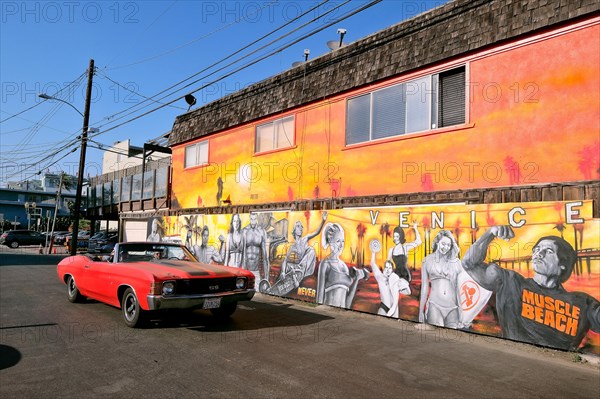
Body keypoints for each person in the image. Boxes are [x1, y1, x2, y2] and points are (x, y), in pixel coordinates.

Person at [463, 225, 600, 351]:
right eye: (537, 250)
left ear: (563, 263)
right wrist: (490, 233)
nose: (539, 254)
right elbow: (469, 263)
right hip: (514, 361)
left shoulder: (583, 303)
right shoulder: (511, 282)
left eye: (549, 251)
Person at [316, 223, 369, 309]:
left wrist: (356, 280)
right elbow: (319, 298)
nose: (341, 245)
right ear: (330, 241)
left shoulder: (344, 266)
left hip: (341, 314)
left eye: (343, 241)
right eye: (338, 241)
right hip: (328, 310)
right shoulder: (325, 263)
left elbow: (347, 303)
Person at [418, 230, 463, 327]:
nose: (446, 247)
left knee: (451, 339)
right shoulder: (427, 261)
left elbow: (460, 289)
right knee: (436, 338)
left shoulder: (456, 262)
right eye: (443, 244)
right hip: (435, 305)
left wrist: (462, 312)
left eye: (448, 245)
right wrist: (421, 310)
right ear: (437, 242)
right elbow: (424, 288)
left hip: (453, 308)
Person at [278, 211, 328, 283]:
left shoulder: (305, 238)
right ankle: (287, 278)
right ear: (294, 230)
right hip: (292, 269)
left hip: (301, 269)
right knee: (288, 266)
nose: (301, 228)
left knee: (311, 250)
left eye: (301, 226)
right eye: (298, 226)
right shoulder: (292, 247)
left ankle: (298, 271)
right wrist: (283, 272)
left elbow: (317, 232)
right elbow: (285, 261)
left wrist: (323, 221)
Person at [369, 239, 411, 318]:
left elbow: (407, 292)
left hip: (394, 308)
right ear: (384, 269)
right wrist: (373, 252)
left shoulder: (395, 279)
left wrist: (403, 285)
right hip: (384, 306)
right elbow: (373, 263)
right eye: (386, 268)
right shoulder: (380, 277)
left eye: (390, 268)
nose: (388, 270)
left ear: (392, 270)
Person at [242, 212, 270, 289]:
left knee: (257, 292)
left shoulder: (261, 232)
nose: (253, 221)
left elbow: (265, 257)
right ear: (249, 218)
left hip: (256, 271)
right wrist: (242, 272)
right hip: (246, 270)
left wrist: (266, 278)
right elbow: (243, 254)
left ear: (257, 219)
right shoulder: (245, 231)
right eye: (251, 219)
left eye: (254, 219)